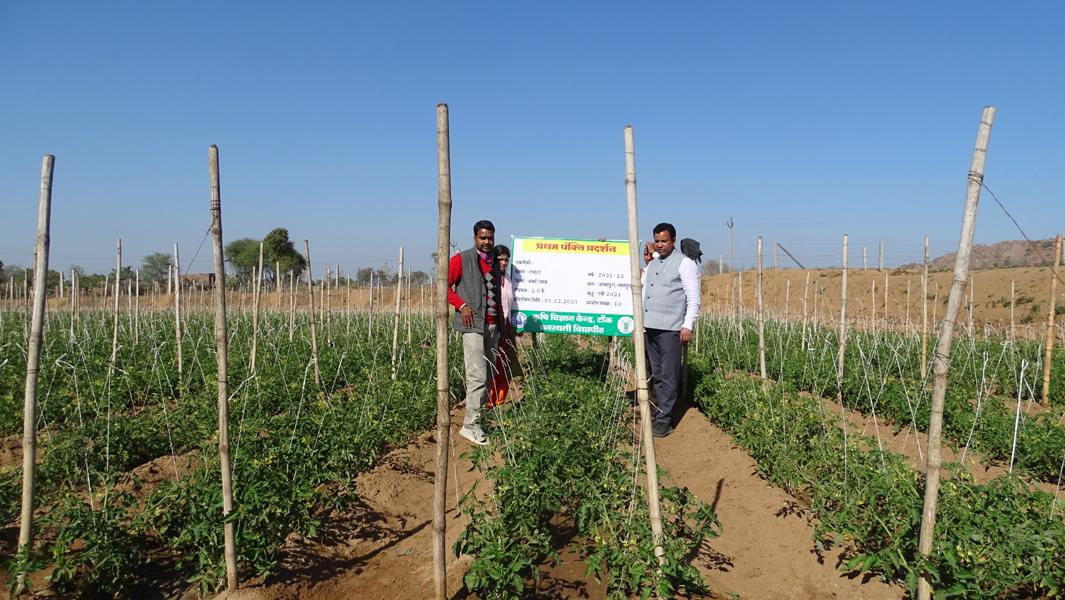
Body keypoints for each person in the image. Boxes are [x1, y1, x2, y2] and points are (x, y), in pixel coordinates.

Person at [642, 223, 700, 438]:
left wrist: (688, 325)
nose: (660, 245)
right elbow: (644, 289)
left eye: (664, 241)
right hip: (650, 327)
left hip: (671, 328)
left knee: (668, 374)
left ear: (673, 240)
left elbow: (693, 297)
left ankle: (665, 419)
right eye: (657, 240)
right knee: (656, 373)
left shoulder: (684, 264)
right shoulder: (653, 264)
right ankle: (658, 413)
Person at [448, 220, 502, 446]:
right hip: (472, 325)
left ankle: (477, 420)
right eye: (483, 237)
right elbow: (443, 286)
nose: (487, 241)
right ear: (474, 238)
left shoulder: (494, 263)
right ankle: (470, 426)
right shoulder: (461, 259)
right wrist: (461, 305)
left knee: (488, 375)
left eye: (490, 237)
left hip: (492, 326)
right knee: (476, 376)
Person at [488, 244, 521, 407]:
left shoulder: (507, 280)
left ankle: (500, 399)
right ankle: (489, 400)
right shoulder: (488, 278)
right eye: (500, 259)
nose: (503, 263)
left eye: (506, 260)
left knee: (505, 364)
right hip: (493, 327)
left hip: (506, 327)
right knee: (492, 363)